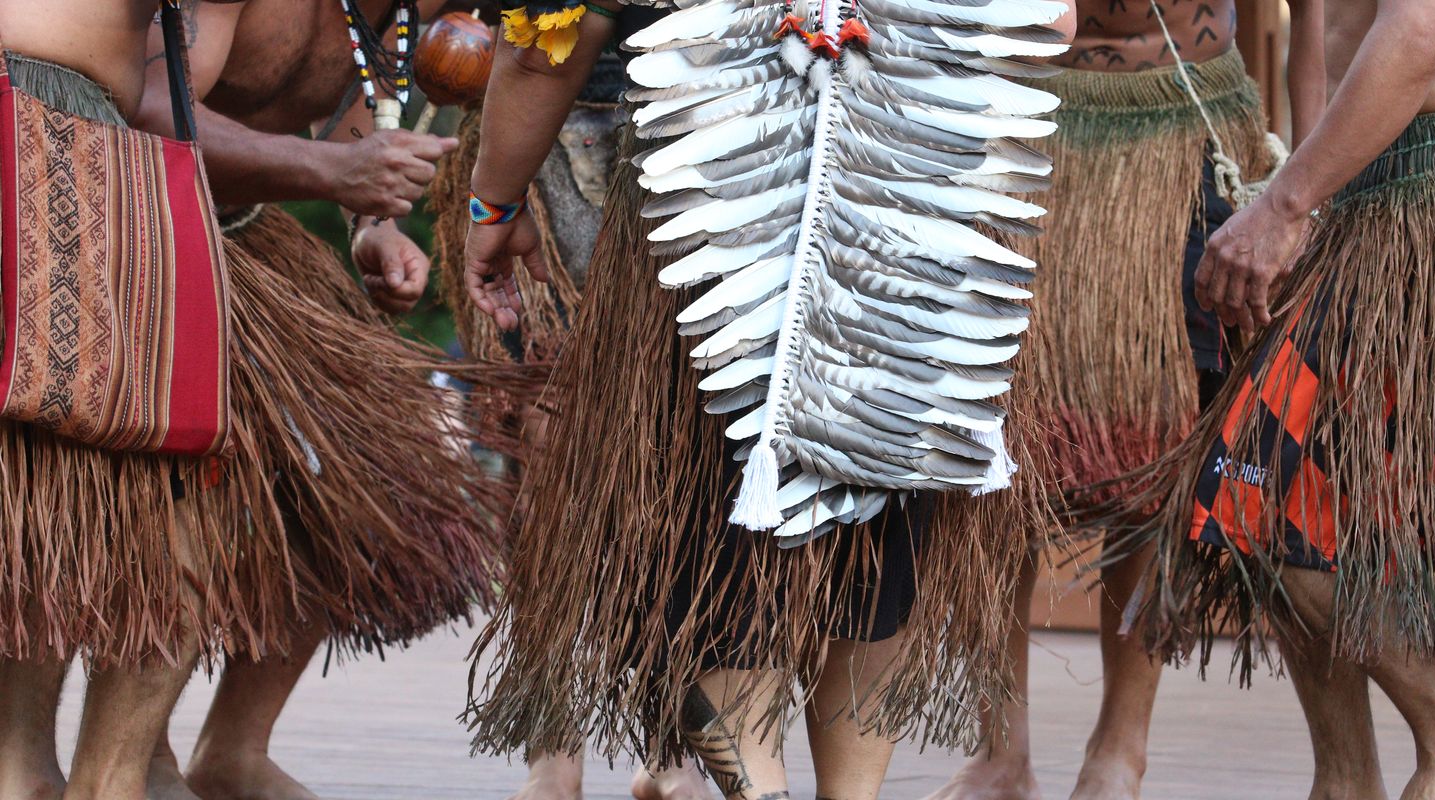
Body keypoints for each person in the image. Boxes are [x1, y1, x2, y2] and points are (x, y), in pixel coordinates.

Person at [461, 0, 1074, 797]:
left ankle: (759, 786)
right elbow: (1052, 26)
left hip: (718, 199)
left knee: (705, 524)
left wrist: (494, 203)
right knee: (880, 506)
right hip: (916, 187)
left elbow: (543, 53)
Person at [1086, 0, 1435, 798]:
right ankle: (1346, 780)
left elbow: (1424, 27)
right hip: (1425, 187)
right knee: (1309, 513)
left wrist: (1284, 208)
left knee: (1255, 497)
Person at [925, 2, 1320, 798]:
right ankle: (1001, 749)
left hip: (1181, 122)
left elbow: (1307, 15)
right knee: (998, 456)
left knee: (1158, 452)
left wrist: (1305, 189)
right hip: (1019, 118)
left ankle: (1121, 746)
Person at [130, 3, 510, 798]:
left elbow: (349, 119)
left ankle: (233, 751)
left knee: (365, 471)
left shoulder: (396, 17)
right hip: (131, 225)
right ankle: (131, 757)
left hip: (245, 229)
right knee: (146, 495)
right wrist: (328, 174)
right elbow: (146, 103)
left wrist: (371, 221)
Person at [0, 3, 281, 800]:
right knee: (170, 483)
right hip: (41, 112)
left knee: (44, 480)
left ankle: (25, 774)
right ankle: (101, 783)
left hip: (54, 112)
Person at [428, 43, 715, 799]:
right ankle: (552, 749)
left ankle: (671, 740)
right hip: (542, 145)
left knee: (680, 458)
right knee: (546, 454)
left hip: (705, 130)